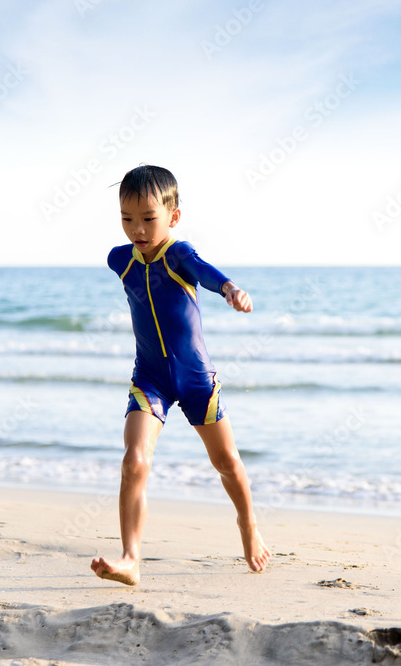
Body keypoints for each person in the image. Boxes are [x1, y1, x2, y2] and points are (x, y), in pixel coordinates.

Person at [91, 164, 270, 586]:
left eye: (148, 219)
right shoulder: (121, 260)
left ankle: (248, 525)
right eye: (127, 219)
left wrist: (229, 288)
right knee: (134, 463)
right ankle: (131, 558)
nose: (137, 229)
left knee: (226, 462)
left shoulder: (178, 254)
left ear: (173, 217)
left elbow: (204, 270)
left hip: (196, 382)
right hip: (148, 379)